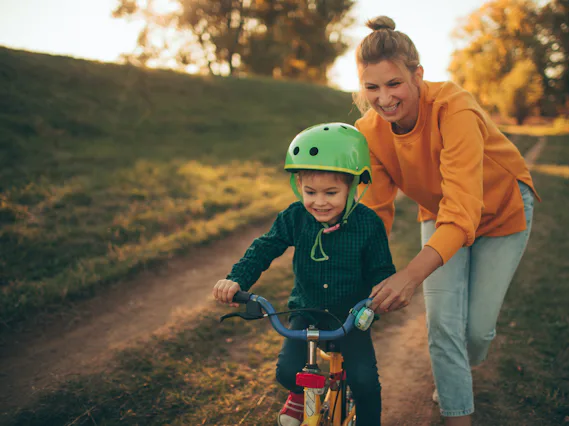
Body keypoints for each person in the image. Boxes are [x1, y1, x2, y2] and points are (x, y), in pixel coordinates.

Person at [352, 16, 540, 426]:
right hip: (441, 212)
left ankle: (458, 371)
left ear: (417, 75)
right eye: (372, 88)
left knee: (476, 333)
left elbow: (464, 211)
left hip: (503, 207)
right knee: (444, 324)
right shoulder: (368, 132)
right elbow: (376, 213)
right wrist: (358, 264)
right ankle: (457, 407)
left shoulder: (454, 107)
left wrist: (410, 276)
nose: (383, 99)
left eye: (394, 84)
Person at [212, 123, 395, 426]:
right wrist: (237, 279)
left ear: (354, 187)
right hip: (306, 311)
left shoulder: (368, 224)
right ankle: (299, 395)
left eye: (331, 192)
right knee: (288, 372)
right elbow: (265, 247)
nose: (319, 202)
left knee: (364, 382)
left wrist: (380, 293)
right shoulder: (296, 216)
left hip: (350, 317)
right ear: (298, 187)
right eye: (310, 192)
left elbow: (382, 269)